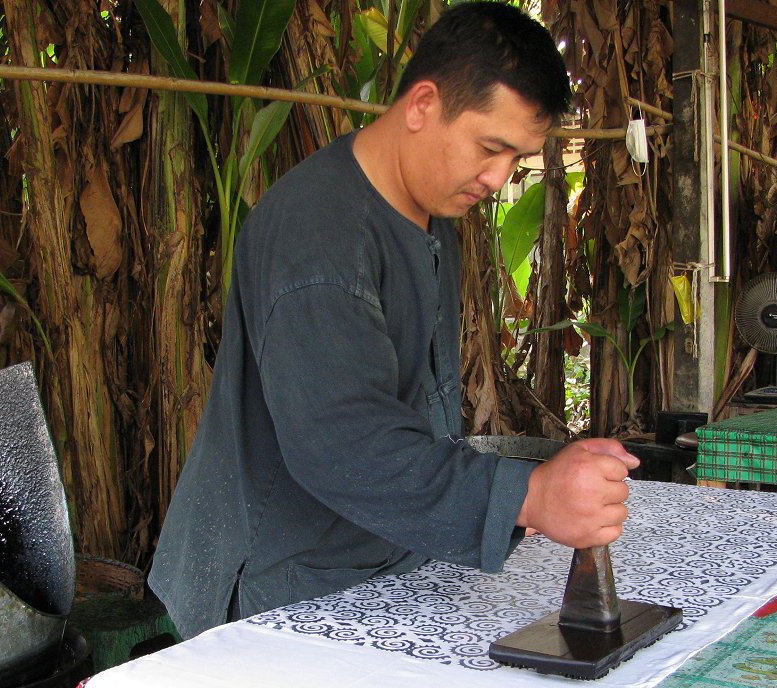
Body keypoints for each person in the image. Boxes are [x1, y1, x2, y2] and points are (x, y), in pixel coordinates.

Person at [148, 1, 639, 640]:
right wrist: (530, 496)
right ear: (421, 105)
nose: (498, 178)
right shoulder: (318, 234)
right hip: (276, 584)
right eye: (491, 148)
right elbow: (343, 443)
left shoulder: (433, 210)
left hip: (378, 559)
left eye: (516, 159)